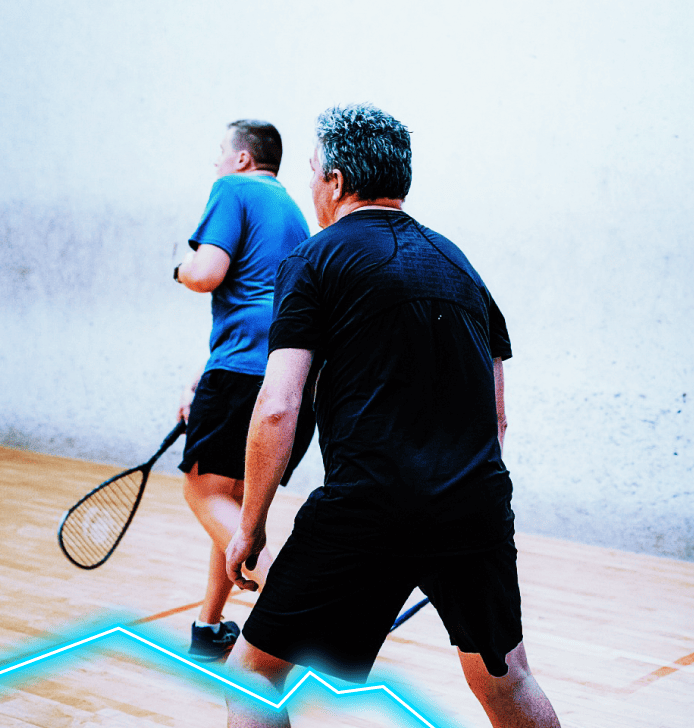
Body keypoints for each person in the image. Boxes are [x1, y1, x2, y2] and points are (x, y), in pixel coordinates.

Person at [223, 104, 562, 727]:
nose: (311, 188)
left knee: (253, 675)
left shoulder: (315, 260)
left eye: (312, 175)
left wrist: (251, 522)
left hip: (367, 506)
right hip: (474, 503)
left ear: (337, 182)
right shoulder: (462, 267)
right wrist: (450, 505)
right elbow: (497, 419)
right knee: (507, 679)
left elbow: (277, 407)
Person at [173, 119, 314, 661]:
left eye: (219, 154)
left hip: (240, 375)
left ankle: (290, 606)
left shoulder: (232, 189)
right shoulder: (295, 215)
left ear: (241, 159)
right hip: (291, 377)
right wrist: (205, 376)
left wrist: (180, 268)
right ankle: (209, 628)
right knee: (232, 499)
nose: (215, 164)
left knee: (203, 492)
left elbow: (208, 272)